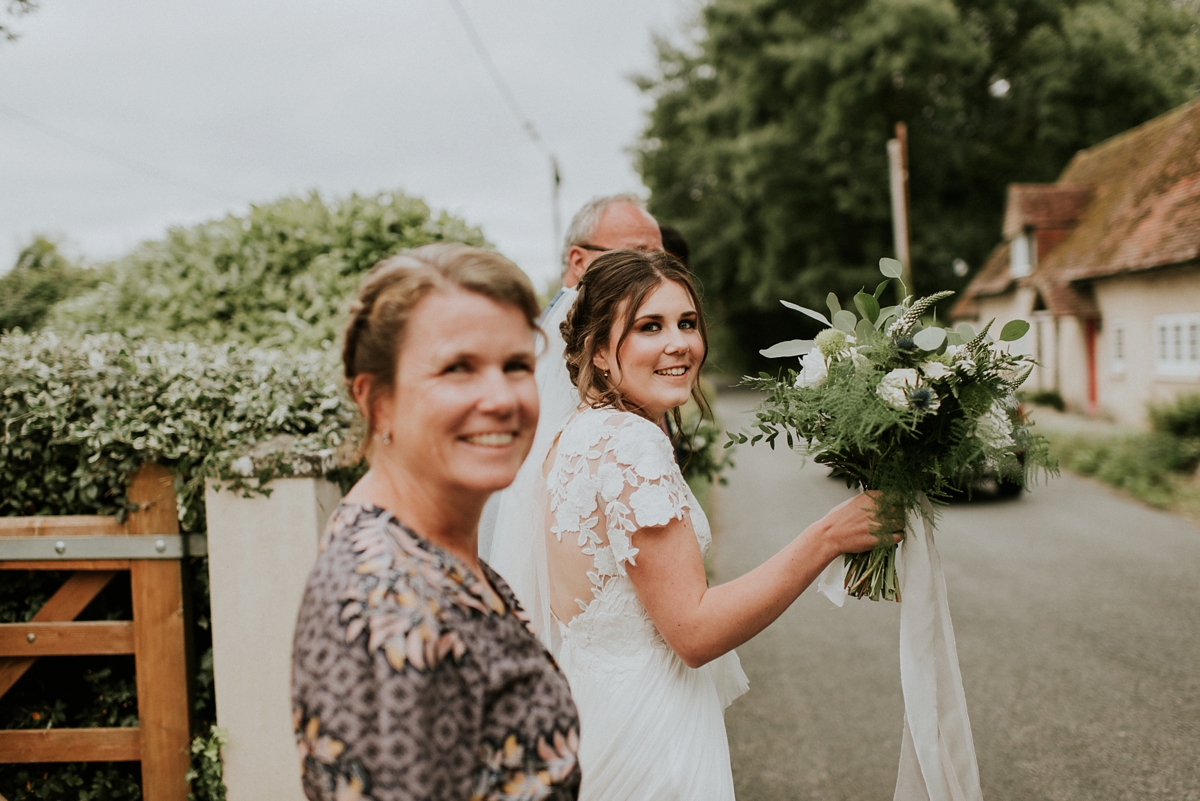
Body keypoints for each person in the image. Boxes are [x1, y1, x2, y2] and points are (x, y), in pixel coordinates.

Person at [543, 249, 897, 800]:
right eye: (648, 327)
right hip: (650, 734)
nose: (678, 342)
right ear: (599, 353)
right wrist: (828, 537)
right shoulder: (630, 444)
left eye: (687, 323)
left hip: (592, 710)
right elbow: (694, 631)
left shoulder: (576, 434)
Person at [292, 244, 581, 801]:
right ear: (377, 401)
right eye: (458, 368)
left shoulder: (428, 542)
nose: (500, 398)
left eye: (517, 365)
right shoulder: (387, 599)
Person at [479, 194, 665, 641]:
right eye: (636, 254)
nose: (653, 270)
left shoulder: (558, 325)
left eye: (658, 257)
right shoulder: (580, 340)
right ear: (579, 260)